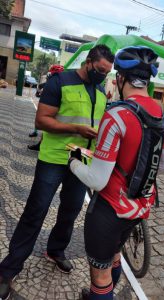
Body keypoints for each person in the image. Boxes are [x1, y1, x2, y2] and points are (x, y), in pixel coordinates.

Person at [0, 44, 114, 300]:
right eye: (99, 70)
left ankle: (56, 250)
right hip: (55, 156)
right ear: (88, 62)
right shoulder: (59, 81)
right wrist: (76, 128)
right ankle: (8, 269)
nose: (102, 75)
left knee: (70, 211)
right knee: (36, 211)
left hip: (81, 158)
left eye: (107, 72)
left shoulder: (99, 90)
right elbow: (41, 121)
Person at [68, 46, 164, 300]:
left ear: (120, 79)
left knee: (100, 275)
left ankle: (101, 293)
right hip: (138, 209)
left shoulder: (116, 115)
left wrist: (73, 163)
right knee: (115, 255)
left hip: (109, 210)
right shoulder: (163, 116)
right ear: (147, 81)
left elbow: (97, 179)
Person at [28, 65, 65, 140]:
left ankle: (39, 139)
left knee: (48, 122)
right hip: (46, 103)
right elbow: (41, 86)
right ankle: (36, 132)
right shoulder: (51, 79)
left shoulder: (63, 82)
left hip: (57, 107)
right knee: (42, 119)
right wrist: (38, 92)